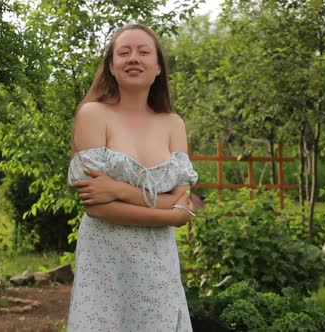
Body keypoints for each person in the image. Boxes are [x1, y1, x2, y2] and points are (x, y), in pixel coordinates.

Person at [66, 23, 198, 331]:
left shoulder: (173, 124)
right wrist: (169, 213)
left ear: (157, 68)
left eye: (143, 52)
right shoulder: (93, 114)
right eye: (123, 53)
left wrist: (118, 191)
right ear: (111, 66)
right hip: (105, 265)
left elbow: (184, 203)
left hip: (159, 267)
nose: (133, 58)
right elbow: (96, 207)